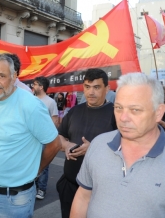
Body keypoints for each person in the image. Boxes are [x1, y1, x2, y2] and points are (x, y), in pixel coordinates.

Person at [70, 72, 165, 218]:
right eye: (119, 108)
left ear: (158, 112)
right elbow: (83, 197)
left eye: (135, 110)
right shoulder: (98, 144)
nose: (123, 118)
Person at [0, 53, 60, 218]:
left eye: (1, 76)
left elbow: (55, 144)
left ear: (14, 76)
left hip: (15, 199)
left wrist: (36, 171)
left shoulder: (31, 105)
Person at [57, 68, 116, 218]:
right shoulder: (74, 111)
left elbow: (127, 147)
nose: (91, 92)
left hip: (100, 189)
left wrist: (94, 148)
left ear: (107, 89)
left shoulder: (117, 114)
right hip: (70, 184)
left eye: (96, 87)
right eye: (87, 87)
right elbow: (60, 136)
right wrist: (66, 145)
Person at [32, 76, 58, 200]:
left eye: (35, 84)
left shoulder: (50, 102)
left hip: (44, 139)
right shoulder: (30, 99)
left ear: (41, 87)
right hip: (31, 138)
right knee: (32, 163)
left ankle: (41, 189)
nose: (33, 86)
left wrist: (48, 134)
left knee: (44, 164)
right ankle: (33, 186)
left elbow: (55, 120)